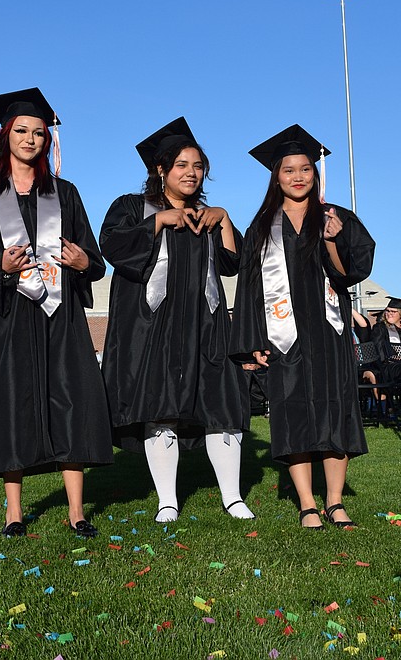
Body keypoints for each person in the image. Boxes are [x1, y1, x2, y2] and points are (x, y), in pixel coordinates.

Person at [0, 87, 113, 539]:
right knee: (12, 407)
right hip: (9, 317)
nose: (30, 139)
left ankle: (77, 511)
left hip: (60, 316)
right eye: (21, 131)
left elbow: (94, 260)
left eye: (39, 133)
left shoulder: (66, 194)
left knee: (71, 401)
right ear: (6, 136)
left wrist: (85, 263)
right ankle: (14, 513)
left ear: (48, 141)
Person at [99, 117, 251, 523]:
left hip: (207, 326)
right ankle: (168, 499)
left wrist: (225, 220)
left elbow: (235, 263)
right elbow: (112, 245)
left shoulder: (209, 216)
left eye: (198, 166)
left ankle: (233, 497)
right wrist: (157, 222)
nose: (191, 172)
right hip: (154, 331)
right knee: (160, 406)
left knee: (221, 406)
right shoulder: (132, 207)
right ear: (161, 170)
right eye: (181, 164)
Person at [229, 124, 375, 530]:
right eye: (289, 169)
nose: (298, 176)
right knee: (293, 413)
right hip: (284, 336)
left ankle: (335, 501)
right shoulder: (262, 227)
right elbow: (250, 287)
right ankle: (307, 503)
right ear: (276, 176)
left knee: (335, 410)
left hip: (328, 333)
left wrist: (331, 241)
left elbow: (348, 276)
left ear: (316, 173)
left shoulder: (338, 218)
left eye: (305, 168)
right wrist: (252, 341)